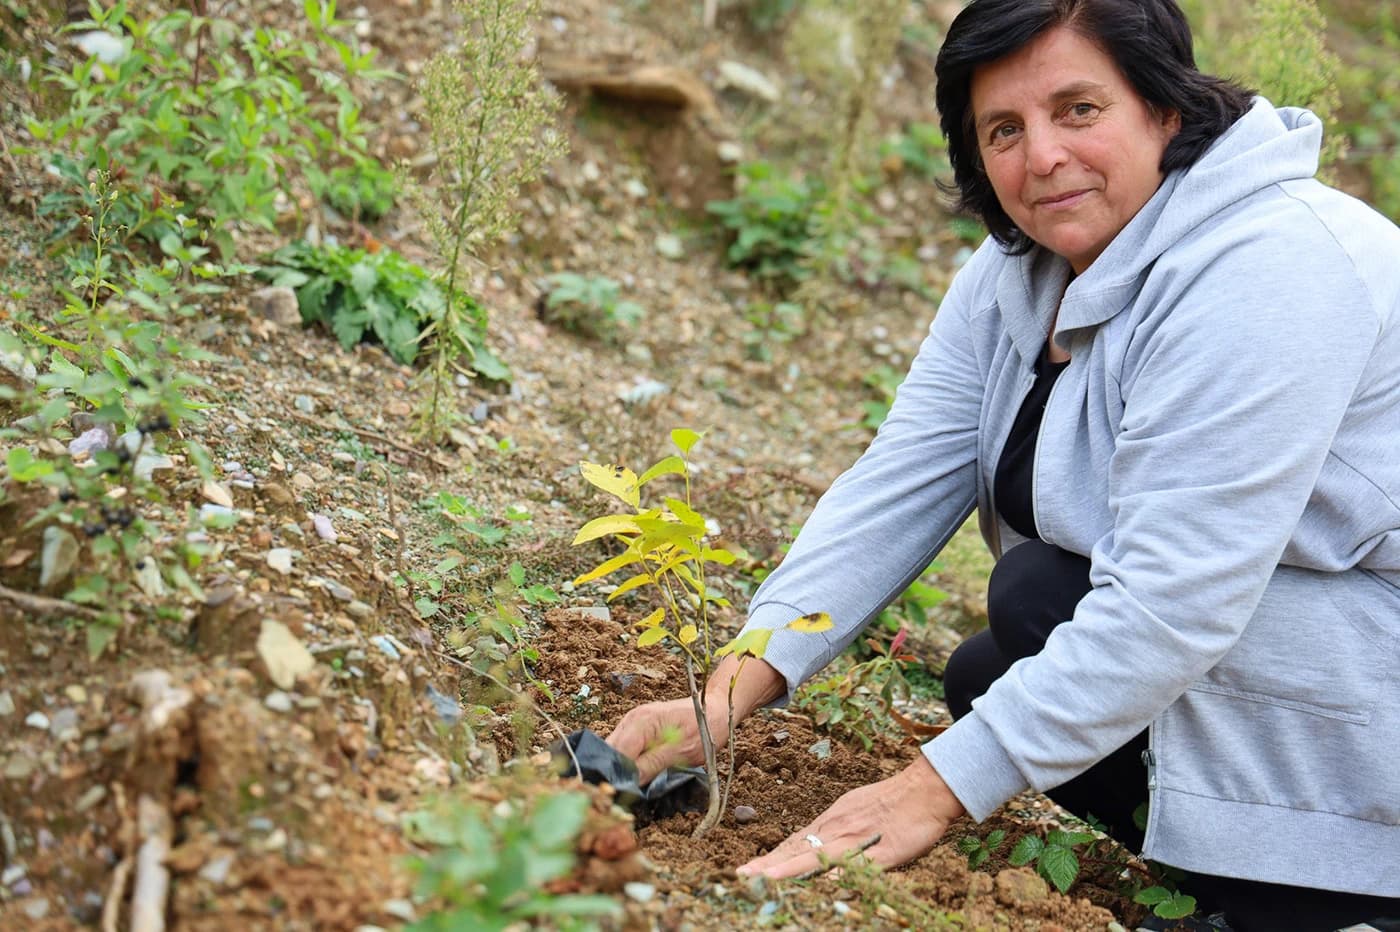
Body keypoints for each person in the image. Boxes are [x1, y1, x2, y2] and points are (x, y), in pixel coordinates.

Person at [606, 1, 1400, 929]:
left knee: (1041, 604)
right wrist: (724, 693)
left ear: (1166, 107)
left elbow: (1175, 597)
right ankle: (1231, 883)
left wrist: (926, 793)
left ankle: (1340, 898)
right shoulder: (1018, 271)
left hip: (1373, 657)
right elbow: (897, 483)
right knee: (999, 658)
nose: (1043, 157)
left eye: (1078, 109)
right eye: (1004, 129)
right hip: (1286, 640)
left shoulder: (1273, 269)